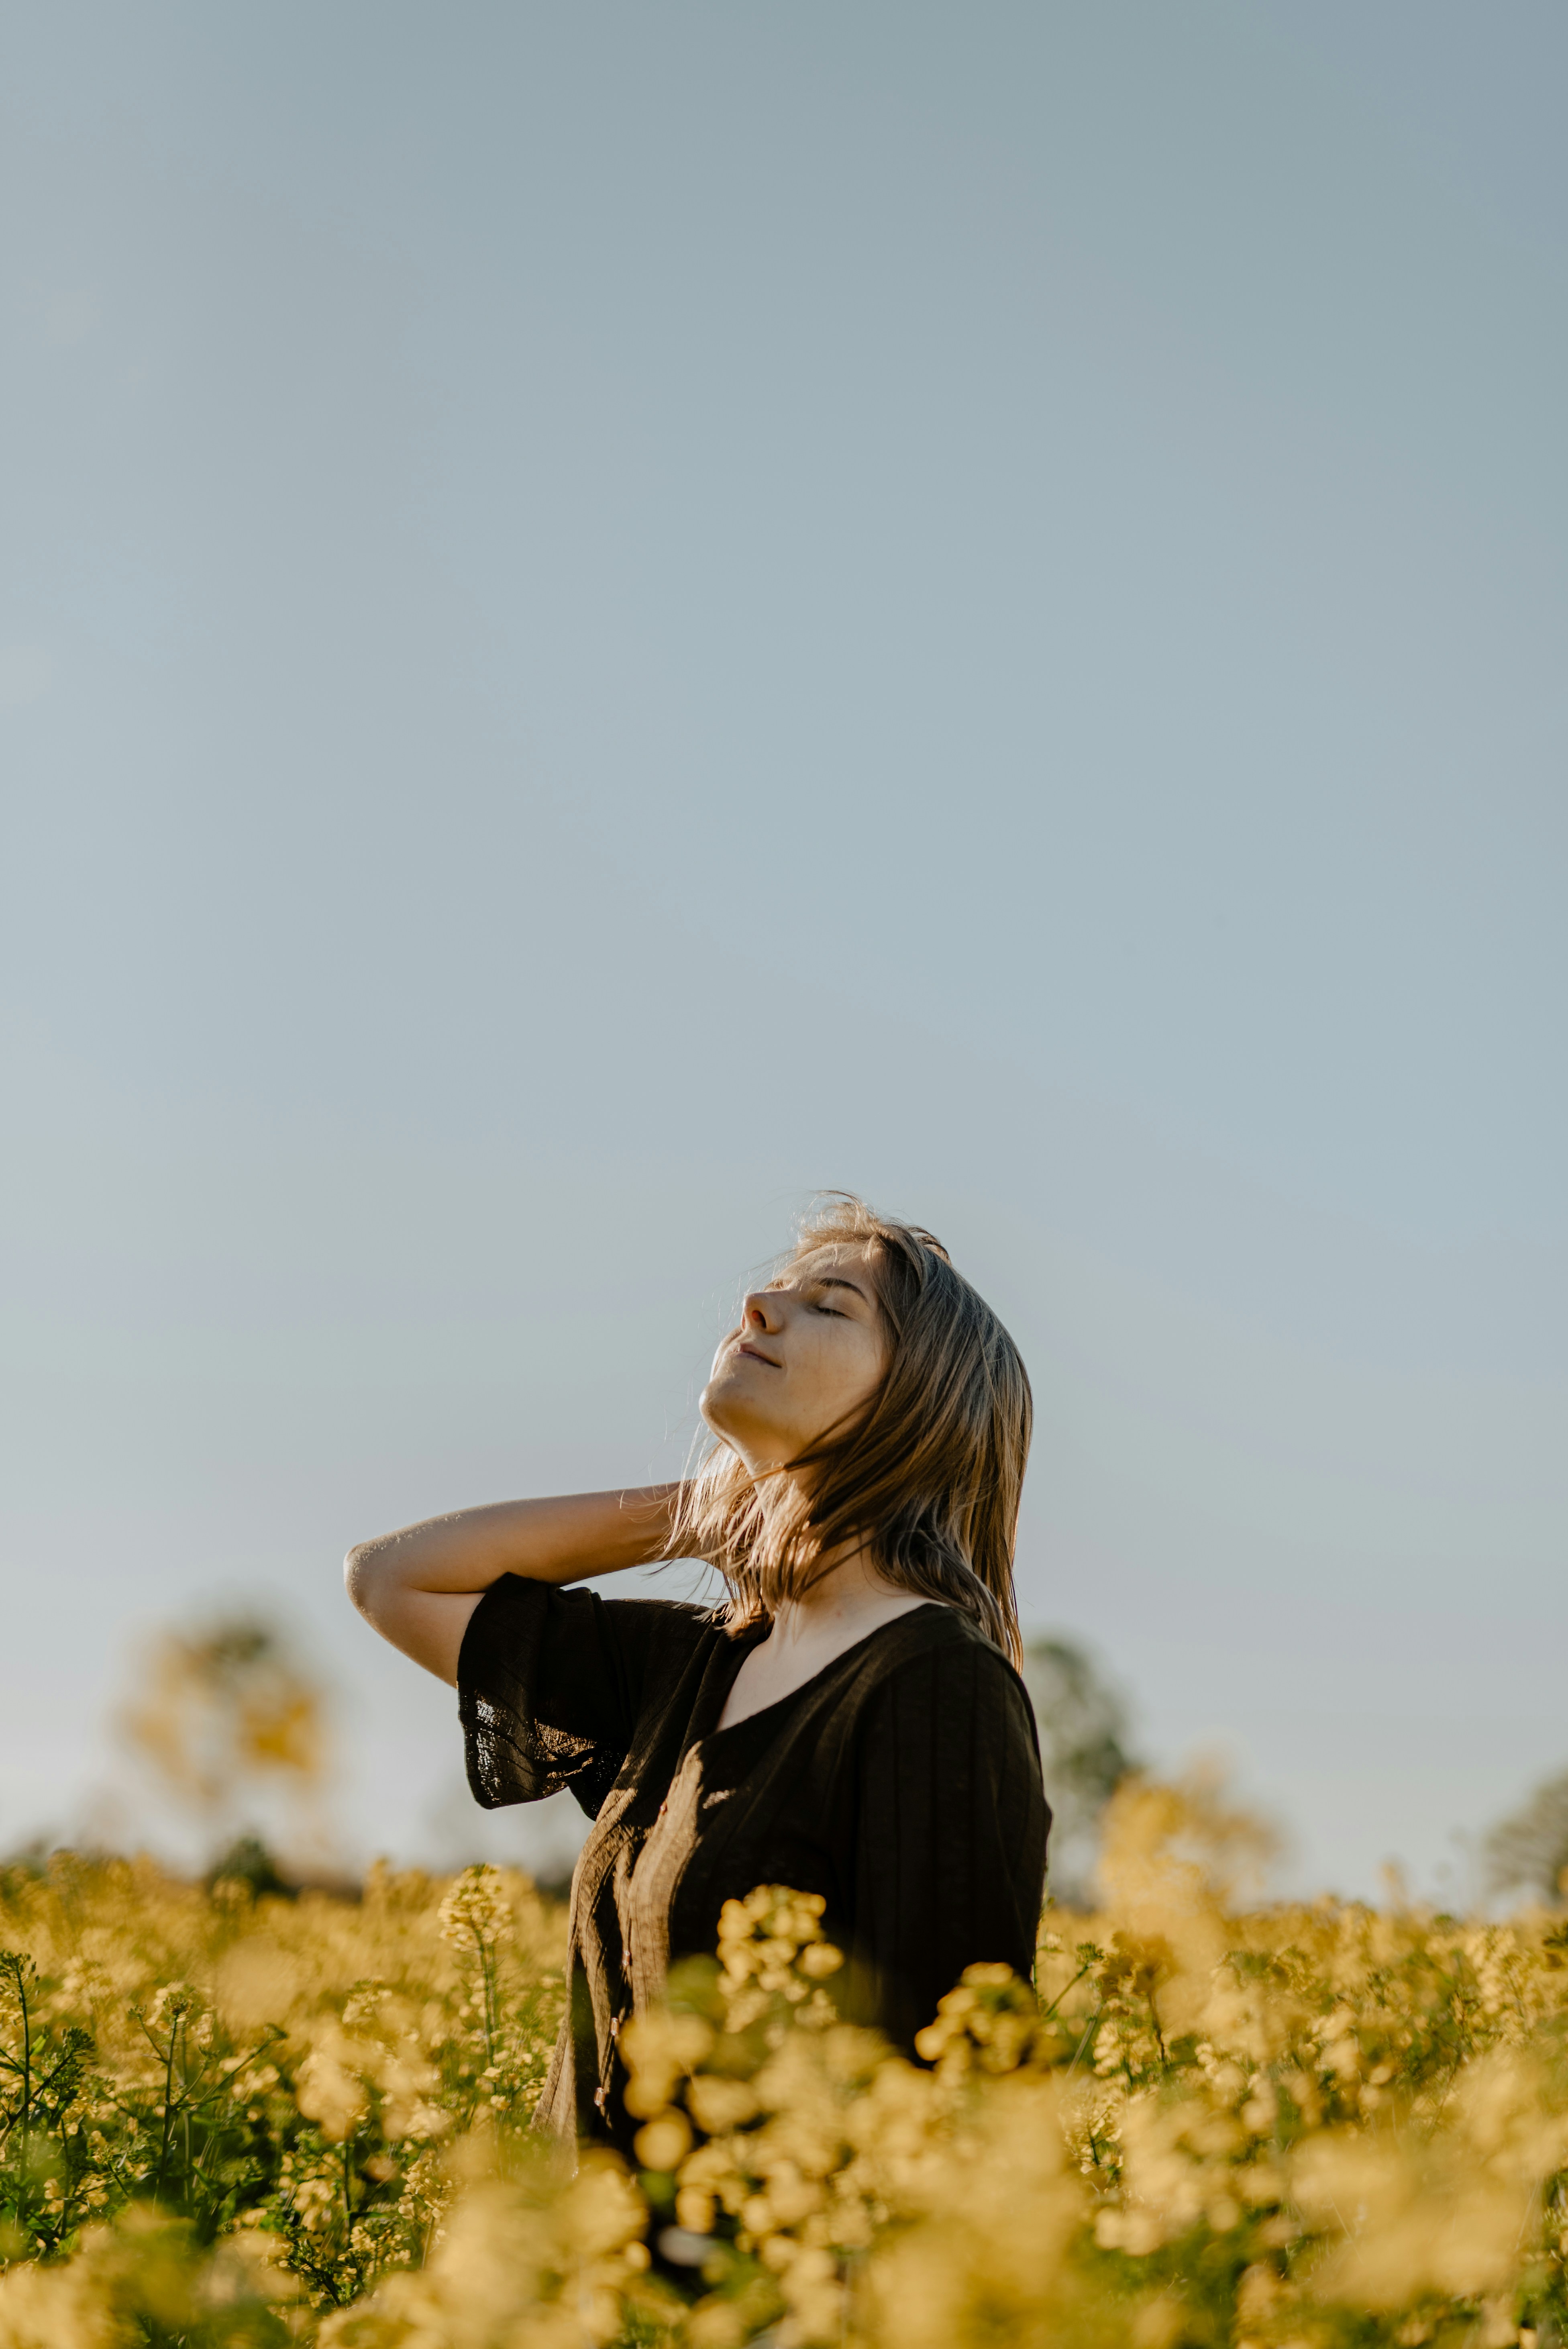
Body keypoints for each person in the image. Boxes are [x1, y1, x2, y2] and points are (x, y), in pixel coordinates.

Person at [345, 1195, 1049, 2153]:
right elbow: (393, 1580)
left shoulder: (937, 1685)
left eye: (830, 1305)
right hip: (588, 2293)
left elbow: (961, 2101)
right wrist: (713, 1511)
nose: (758, 1304)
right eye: (774, 1290)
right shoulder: (690, 1665)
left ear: (921, 1403)